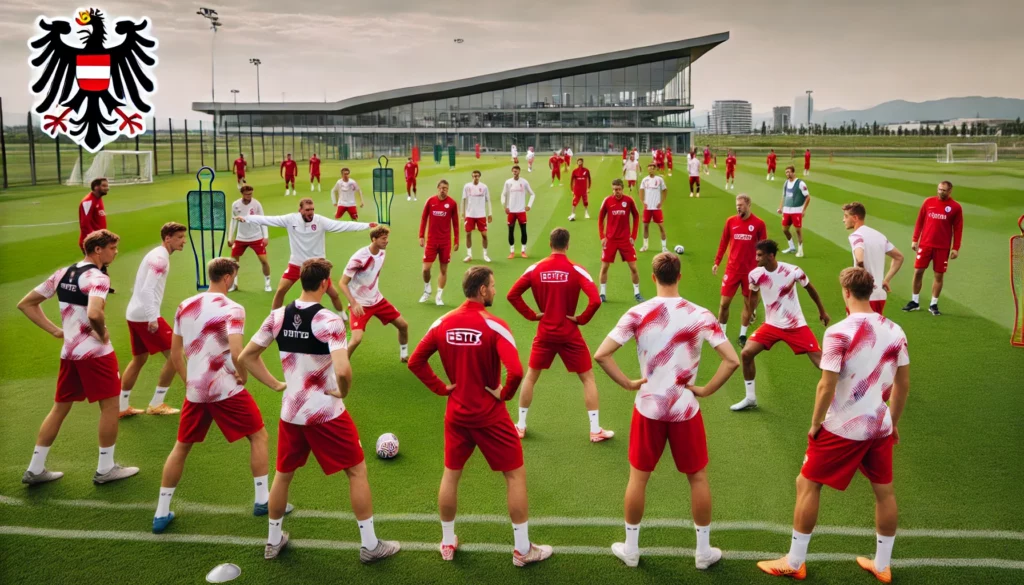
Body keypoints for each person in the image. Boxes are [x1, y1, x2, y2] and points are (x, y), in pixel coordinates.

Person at [240, 259, 401, 562]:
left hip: (292, 413)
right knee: (356, 471)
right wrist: (344, 390)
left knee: (283, 475)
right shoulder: (329, 321)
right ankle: (369, 545)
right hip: (326, 413)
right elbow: (343, 369)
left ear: (301, 280)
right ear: (326, 283)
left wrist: (275, 384)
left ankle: (273, 542)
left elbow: (247, 356)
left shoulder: (277, 316)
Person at [757, 267, 909, 583]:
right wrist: (892, 422)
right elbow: (903, 385)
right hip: (878, 425)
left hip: (843, 426)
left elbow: (826, 386)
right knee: (885, 493)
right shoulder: (895, 330)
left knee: (807, 483)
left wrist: (815, 424)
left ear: (847, 293)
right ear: (871, 293)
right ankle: (882, 565)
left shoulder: (838, 331)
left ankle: (795, 561)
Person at [594, 252, 739, 571]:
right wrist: (705, 390)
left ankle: (631, 549)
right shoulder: (700, 314)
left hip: (648, 408)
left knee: (638, 478)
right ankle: (702, 552)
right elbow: (732, 360)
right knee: (698, 477)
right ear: (680, 276)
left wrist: (629, 383)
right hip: (685, 409)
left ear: (653, 276)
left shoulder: (638, 312)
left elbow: (602, 354)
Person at [407, 266, 553, 566]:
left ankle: (447, 542)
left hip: (457, 414)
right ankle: (523, 550)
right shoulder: (494, 325)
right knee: (514, 475)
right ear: (482, 290)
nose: (495, 290)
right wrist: (504, 393)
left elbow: (415, 361)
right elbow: (515, 371)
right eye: (493, 286)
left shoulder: (442, 322)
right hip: (490, 416)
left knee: (451, 474)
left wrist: (441, 388)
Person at [152, 258, 276, 534]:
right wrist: (242, 374)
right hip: (225, 388)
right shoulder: (233, 308)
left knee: (181, 447)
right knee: (258, 436)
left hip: (196, 390)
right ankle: (261, 500)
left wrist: (188, 381)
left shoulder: (185, 305)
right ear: (229, 276)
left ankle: (161, 513)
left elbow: (175, 354)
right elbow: (236, 350)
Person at [18, 229, 138, 486]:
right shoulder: (98, 278)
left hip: (70, 354)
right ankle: (106, 468)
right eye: (112, 248)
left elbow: (26, 303)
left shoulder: (63, 273)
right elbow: (94, 313)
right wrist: (102, 332)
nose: (115, 253)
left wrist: (55, 331)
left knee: (60, 408)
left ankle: (35, 468)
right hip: (96, 355)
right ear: (98, 250)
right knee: (110, 407)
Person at [507, 228, 608, 441]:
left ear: (550, 243)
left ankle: (521, 426)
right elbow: (596, 300)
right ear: (567, 245)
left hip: (545, 333)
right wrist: (581, 319)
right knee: (588, 379)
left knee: (531, 377)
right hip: (570, 333)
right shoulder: (576, 269)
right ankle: (595, 430)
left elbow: (512, 294)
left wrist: (533, 315)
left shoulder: (536, 268)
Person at [732, 239, 830, 412]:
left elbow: (811, 289)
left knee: (821, 362)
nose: (756, 258)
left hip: (795, 325)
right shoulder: (755, 274)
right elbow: (753, 295)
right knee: (746, 353)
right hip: (771, 325)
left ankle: (841, 396)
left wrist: (822, 311)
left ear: (771, 256)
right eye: (756, 254)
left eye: (760, 255)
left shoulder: (793, 271)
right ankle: (750, 397)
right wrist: (752, 310)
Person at [235, 198, 374, 311]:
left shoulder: (320, 221)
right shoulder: (290, 220)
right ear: (300, 210)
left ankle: (342, 316)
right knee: (281, 290)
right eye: (307, 210)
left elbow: (344, 226)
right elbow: (268, 219)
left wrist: (367, 225)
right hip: (297, 264)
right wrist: (247, 218)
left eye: (312, 209)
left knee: (334, 294)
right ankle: (273, 317)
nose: (311, 212)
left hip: (317, 266)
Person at [119, 222, 189, 418]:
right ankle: (157, 403)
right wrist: (152, 317)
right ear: (168, 238)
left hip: (134, 313)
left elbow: (140, 286)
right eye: (180, 237)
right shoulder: (160, 259)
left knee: (139, 359)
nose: (184, 241)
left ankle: (121, 406)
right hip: (145, 316)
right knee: (176, 355)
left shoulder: (156, 254)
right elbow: (147, 289)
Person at [339, 226, 410, 362]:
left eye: (387, 238)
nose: (386, 241)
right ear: (374, 239)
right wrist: (354, 303)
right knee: (356, 339)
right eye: (383, 239)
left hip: (377, 300)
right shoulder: (359, 258)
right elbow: (342, 283)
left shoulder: (382, 253)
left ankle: (404, 354)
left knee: (403, 325)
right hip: (360, 305)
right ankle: (340, 366)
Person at [713, 194, 768, 345]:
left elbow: (764, 247)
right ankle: (722, 333)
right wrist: (717, 261)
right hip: (732, 270)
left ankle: (743, 335)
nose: (738, 207)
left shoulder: (759, 224)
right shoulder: (730, 221)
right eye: (737, 205)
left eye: (741, 205)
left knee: (748, 304)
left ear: (749, 205)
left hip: (750, 272)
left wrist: (762, 268)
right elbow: (724, 242)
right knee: (724, 304)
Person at [904, 181, 963, 316]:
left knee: (938, 275)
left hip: (942, 247)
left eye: (944, 190)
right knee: (918, 271)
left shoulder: (955, 207)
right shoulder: (928, 202)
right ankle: (915, 302)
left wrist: (956, 248)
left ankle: (933, 304)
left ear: (950, 191)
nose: (941, 192)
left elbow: (958, 229)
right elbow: (919, 221)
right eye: (939, 189)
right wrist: (915, 239)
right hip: (925, 244)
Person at [843, 202, 904, 314]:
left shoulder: (856, 236)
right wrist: (886, 280)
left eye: (846, 216)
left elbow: (859, 256)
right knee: (875, 329)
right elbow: (899, 257)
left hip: (863, 296)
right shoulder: (879, 235)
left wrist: (861, 269)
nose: (843, 220)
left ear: (855, 218)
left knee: (858, 329)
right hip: (879, 295)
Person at [598, 178, 643, 303]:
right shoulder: (607, 201)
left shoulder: (629, 201)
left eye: (618, 189)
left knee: (633, 267)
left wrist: (633, 236)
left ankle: (637, 293)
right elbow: (600, 219)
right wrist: (602, 237)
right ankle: (602, 294)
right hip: (611, 240)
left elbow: (636, 216)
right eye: (613, 189)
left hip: (625, 240)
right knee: (605, 266)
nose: (615, 192)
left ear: (622, 189)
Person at [418, 180, 461, 305]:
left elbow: (456, 224)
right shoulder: (430, 201)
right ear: (437, 188)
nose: (443, 190)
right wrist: (421, 236)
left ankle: (439, 296)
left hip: (445, 242)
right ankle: (427, 290)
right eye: (442, 188)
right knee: (426, 269)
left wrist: (456, 240)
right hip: (431, 241)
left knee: (443, 270)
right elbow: (424, 218)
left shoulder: (452, 204)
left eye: (446, 188)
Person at [228, 185, 273, 293]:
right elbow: (233, 221)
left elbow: (263, 220)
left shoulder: (256, 204)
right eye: (247, 194)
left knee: (264, 261)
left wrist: (265, 237)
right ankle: (234, 284)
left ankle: (267, 283)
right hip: (241, 238)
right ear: (242, 194)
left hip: (256, 237)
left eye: (251, 193)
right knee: (233, 262)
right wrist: (230, 237)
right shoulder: (235, 205)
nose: (249, 196)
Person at [79, 177, 114, 291]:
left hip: (100, 240)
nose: (107, 188)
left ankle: (104, 286)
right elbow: (85, 224)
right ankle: (84, 285)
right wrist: (94, 240)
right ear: (96, 187)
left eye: (106, 185)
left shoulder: (98, 199)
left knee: (101, 264)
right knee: (94, 265)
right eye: (104, 186)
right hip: (92, 241)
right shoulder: (88, 201)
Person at [501, 165, 536, 259]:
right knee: (511, 231)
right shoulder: (508, 182)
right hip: (511, 211)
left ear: (519, 171)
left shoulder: (524, 182)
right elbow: (503, 195)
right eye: (513, 171)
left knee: (523, 231)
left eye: (516, 171)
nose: (515, 172)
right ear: (512, 172)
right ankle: (512, 251)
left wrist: (529, 205)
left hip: (521, 211)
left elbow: (532, 194)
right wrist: (505, 206)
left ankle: (523, 251)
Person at [778, 166, 811, 258]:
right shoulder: (786, 183)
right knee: (785, 229)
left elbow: (808, 197)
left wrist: (803, 210)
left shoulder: (800, 183)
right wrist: (780, 207)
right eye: (786, 172)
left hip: (796, 211)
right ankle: (792, 247)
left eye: (789, 172)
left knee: (798, 231)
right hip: (786, 211)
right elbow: (784, 196)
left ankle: (800, 250)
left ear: (793, 172)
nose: (787, 174)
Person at [462, 170, 493, 263]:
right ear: (472, 177)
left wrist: (490, 213)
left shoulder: (484, 187)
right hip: (470, 214)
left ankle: (485, 254)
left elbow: (489, 200)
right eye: (474, 176)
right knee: (468, 234)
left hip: (481, 215)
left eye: (477, 176)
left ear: (480, 177)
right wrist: (463, 212)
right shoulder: (467, 186)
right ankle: (469, 255)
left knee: (484, 235)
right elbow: (463, 200)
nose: (476, 177)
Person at [638, 164, 668, 253]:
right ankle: (645, 246)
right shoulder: (645, 180)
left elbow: (665, 190)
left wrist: (661, 202)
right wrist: (642, 202)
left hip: (656, 208)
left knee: (661, 227)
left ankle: (664, 247)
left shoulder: (659, 179)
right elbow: (641, 191)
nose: (650, 170)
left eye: (652, 168)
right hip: (647, 208)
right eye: (649, 168)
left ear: (655, 170)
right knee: (645, 226)